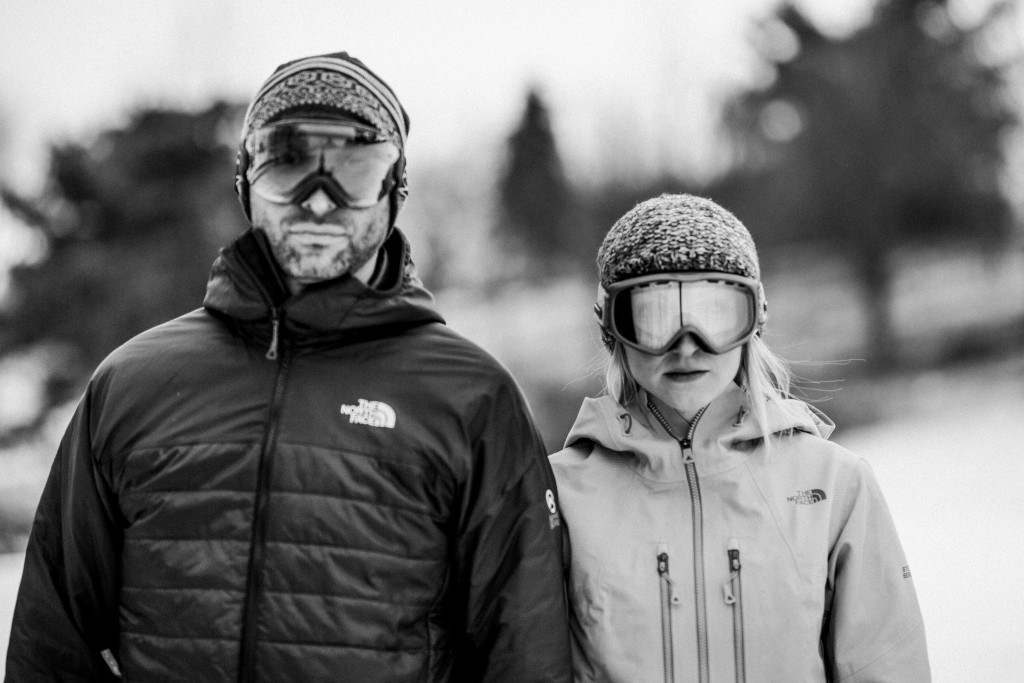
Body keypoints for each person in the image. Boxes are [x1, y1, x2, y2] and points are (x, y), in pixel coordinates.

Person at [6, 51, 572, 682]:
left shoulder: (471, 398)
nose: (320, 203)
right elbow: (52, 644)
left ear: (395, 191)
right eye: (289, 163)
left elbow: (525, 653)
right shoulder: (133, 384)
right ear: (247, 179)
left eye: (354, 170)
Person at [550, 194, 930, 682]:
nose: (686, 345)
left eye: (715, 314)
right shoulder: (559, 496)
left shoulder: (834, 485)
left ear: (754, 320)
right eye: (653, 316)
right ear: (613, 326)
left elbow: (887, 667)